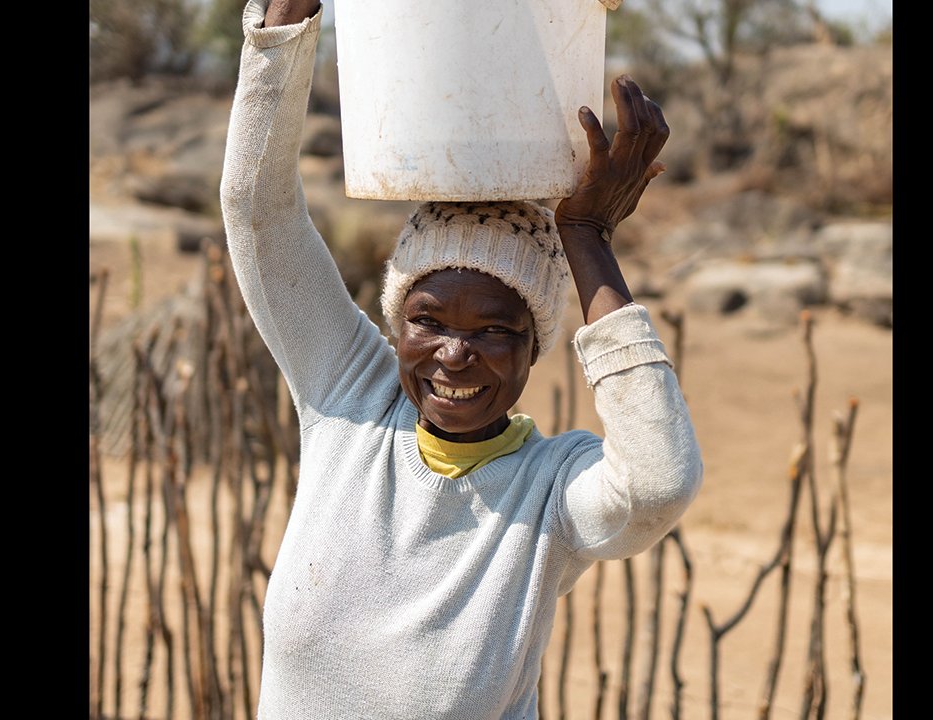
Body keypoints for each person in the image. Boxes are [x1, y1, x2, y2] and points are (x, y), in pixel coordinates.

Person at [220, 1, 703, 717]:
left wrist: (589, 235)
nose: (454, 353)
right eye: (428, 319)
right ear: (396, 322)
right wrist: (281, 34)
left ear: (536, 344)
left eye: (495, 330)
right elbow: (257, 210)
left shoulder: (548, 494)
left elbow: (660, 484)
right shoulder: (350, 402)